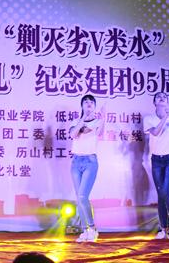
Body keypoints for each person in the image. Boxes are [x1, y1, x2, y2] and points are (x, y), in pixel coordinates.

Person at [143, 92, 169, 240]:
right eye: (158, 97)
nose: (162, 98)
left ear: (167, 102)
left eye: (164, 97)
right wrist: (165, 118)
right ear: (154, 102)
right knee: (161, 194)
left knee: (166, 192)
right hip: (156, 160)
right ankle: (163, 229)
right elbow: (155, 132)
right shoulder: (149, 119)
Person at [68, 94, 106, 243]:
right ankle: (85, 231)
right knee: (79, 198)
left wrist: (104, 117)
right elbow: (73, 134)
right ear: (82, 105)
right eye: (86, 102)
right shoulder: (76, 121)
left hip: (90, 161)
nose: (89, 103)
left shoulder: (98, 122)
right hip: (76, 162)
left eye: (91, 102)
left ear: (95, 106)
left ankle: (92, 228)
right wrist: (83, 118)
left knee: (83, 196)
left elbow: (100, 133)